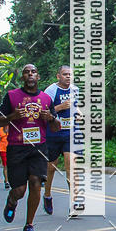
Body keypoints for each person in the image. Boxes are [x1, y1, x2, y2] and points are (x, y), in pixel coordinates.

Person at [0, 64, 60, 231]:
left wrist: (51, 118)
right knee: (19, 190)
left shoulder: (46, 99)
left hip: (38, 148)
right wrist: (12, 117)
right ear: (23, 78)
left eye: (33, 71)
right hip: (17, 148)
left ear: (38, 76)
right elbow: (0, 120)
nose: (30, 74)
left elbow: (56, 127)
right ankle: (11, 201)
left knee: (35, 182)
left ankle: (29, 225)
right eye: (27, 72)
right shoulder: (11, 96)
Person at [43, 65, 78, 216]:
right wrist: (59, 107)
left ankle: (74, 202)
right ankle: (47, 195)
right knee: (51, 168)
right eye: (65, 74)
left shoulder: (75, 90)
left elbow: (76, 107)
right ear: (58, 76)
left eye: (70, 74)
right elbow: (43, 112)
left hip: (70, 133)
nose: (68, 77)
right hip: (53, 133)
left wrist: (79, 114)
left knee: (71, 165)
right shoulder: (50, 91)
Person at [0, 121, 9, 188]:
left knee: (11, 166)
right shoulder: (0, 130)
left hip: (11, 149)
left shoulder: (12, 128)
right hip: (3, 149)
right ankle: (6, 181)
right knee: (5, 166)